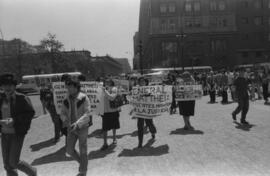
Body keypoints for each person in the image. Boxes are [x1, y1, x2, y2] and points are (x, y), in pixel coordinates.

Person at [0, 73, 37, 176]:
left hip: (17, 133)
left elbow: (30, 113)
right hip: (4, 134)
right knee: (7, 165)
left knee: (13, 162)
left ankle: (32, 172)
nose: (7, 87)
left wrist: (14, 120)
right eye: (4, 85)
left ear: (14, 86)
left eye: (10, 85)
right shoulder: (1, 98)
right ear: (1, 86)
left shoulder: (22, 98)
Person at [60, 79, 91, 176]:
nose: (68, 88)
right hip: (70, 128)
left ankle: (83, 171)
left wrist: (77, 124)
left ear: (76, 87)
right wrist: (64, 119)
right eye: (67, 87)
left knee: (83, 149)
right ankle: (83, 164)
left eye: (70, 87)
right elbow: (62, 113)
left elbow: (87, 113)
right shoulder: (66, 99)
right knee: (69, 150)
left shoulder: (84, 98)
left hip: (82, 127)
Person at [131, 77, 157, 148]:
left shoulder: (150, 89)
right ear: (138, 83)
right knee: (140, 126)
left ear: (146, 82)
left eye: (143, 81)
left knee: (150, 124)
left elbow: (154, 97)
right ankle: (140, 142)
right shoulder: (136, 89)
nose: (142, 83)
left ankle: (153, 132)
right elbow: (133, 99)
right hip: (140, 110)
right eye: (140, 81)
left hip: (147, 110)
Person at [100, 79, 121, 150]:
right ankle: (105, 143)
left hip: (113, 110)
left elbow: (112, 98)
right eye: (105, 82)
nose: (106, 83)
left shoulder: (114, 89)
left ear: (111, 82)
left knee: (114, 126)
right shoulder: (102, 89)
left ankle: (114, 138)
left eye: (108, 82)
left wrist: (104, 91)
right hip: (104, 111)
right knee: (104, 128)